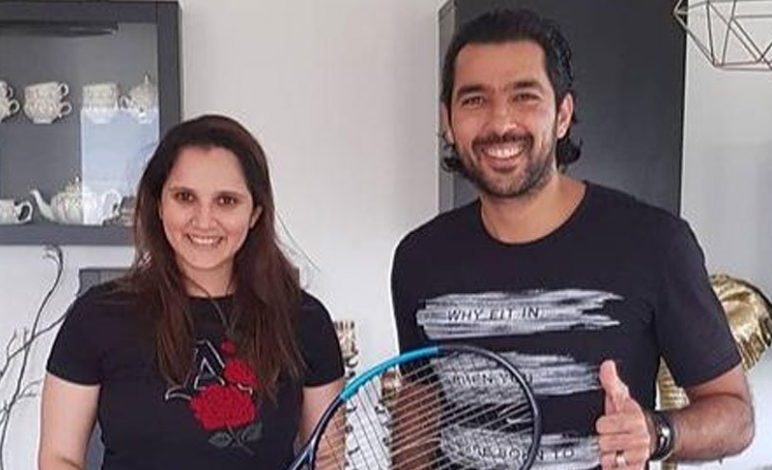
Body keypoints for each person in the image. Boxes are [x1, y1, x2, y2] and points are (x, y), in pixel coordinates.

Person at [391, 9, 754, 470]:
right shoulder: (419, 258)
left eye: (524, 96)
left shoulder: (654, 244)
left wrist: (656, 432)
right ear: (448, 120)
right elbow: (422, 396)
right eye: (474, 100)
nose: (500, 121)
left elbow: (736, 416)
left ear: (562, 115)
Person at [39, 115, 345, 470]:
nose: (204, 220)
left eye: (226, 201)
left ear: (255, 213)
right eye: (185, 197)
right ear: (159, 205)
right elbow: (59, 457)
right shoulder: (97, 316)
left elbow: (327, 458)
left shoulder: (305, 321)